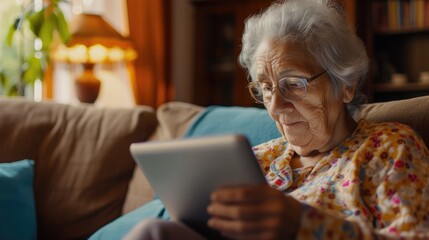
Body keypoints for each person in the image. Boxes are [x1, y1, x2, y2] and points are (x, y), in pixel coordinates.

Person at [124, 0, 429, 239]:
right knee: (155, 231)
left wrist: (302, 224)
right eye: (266, 88)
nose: (276, 105)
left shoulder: (389, 148)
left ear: (345, 84)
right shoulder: (254, 160)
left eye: (294, 83)